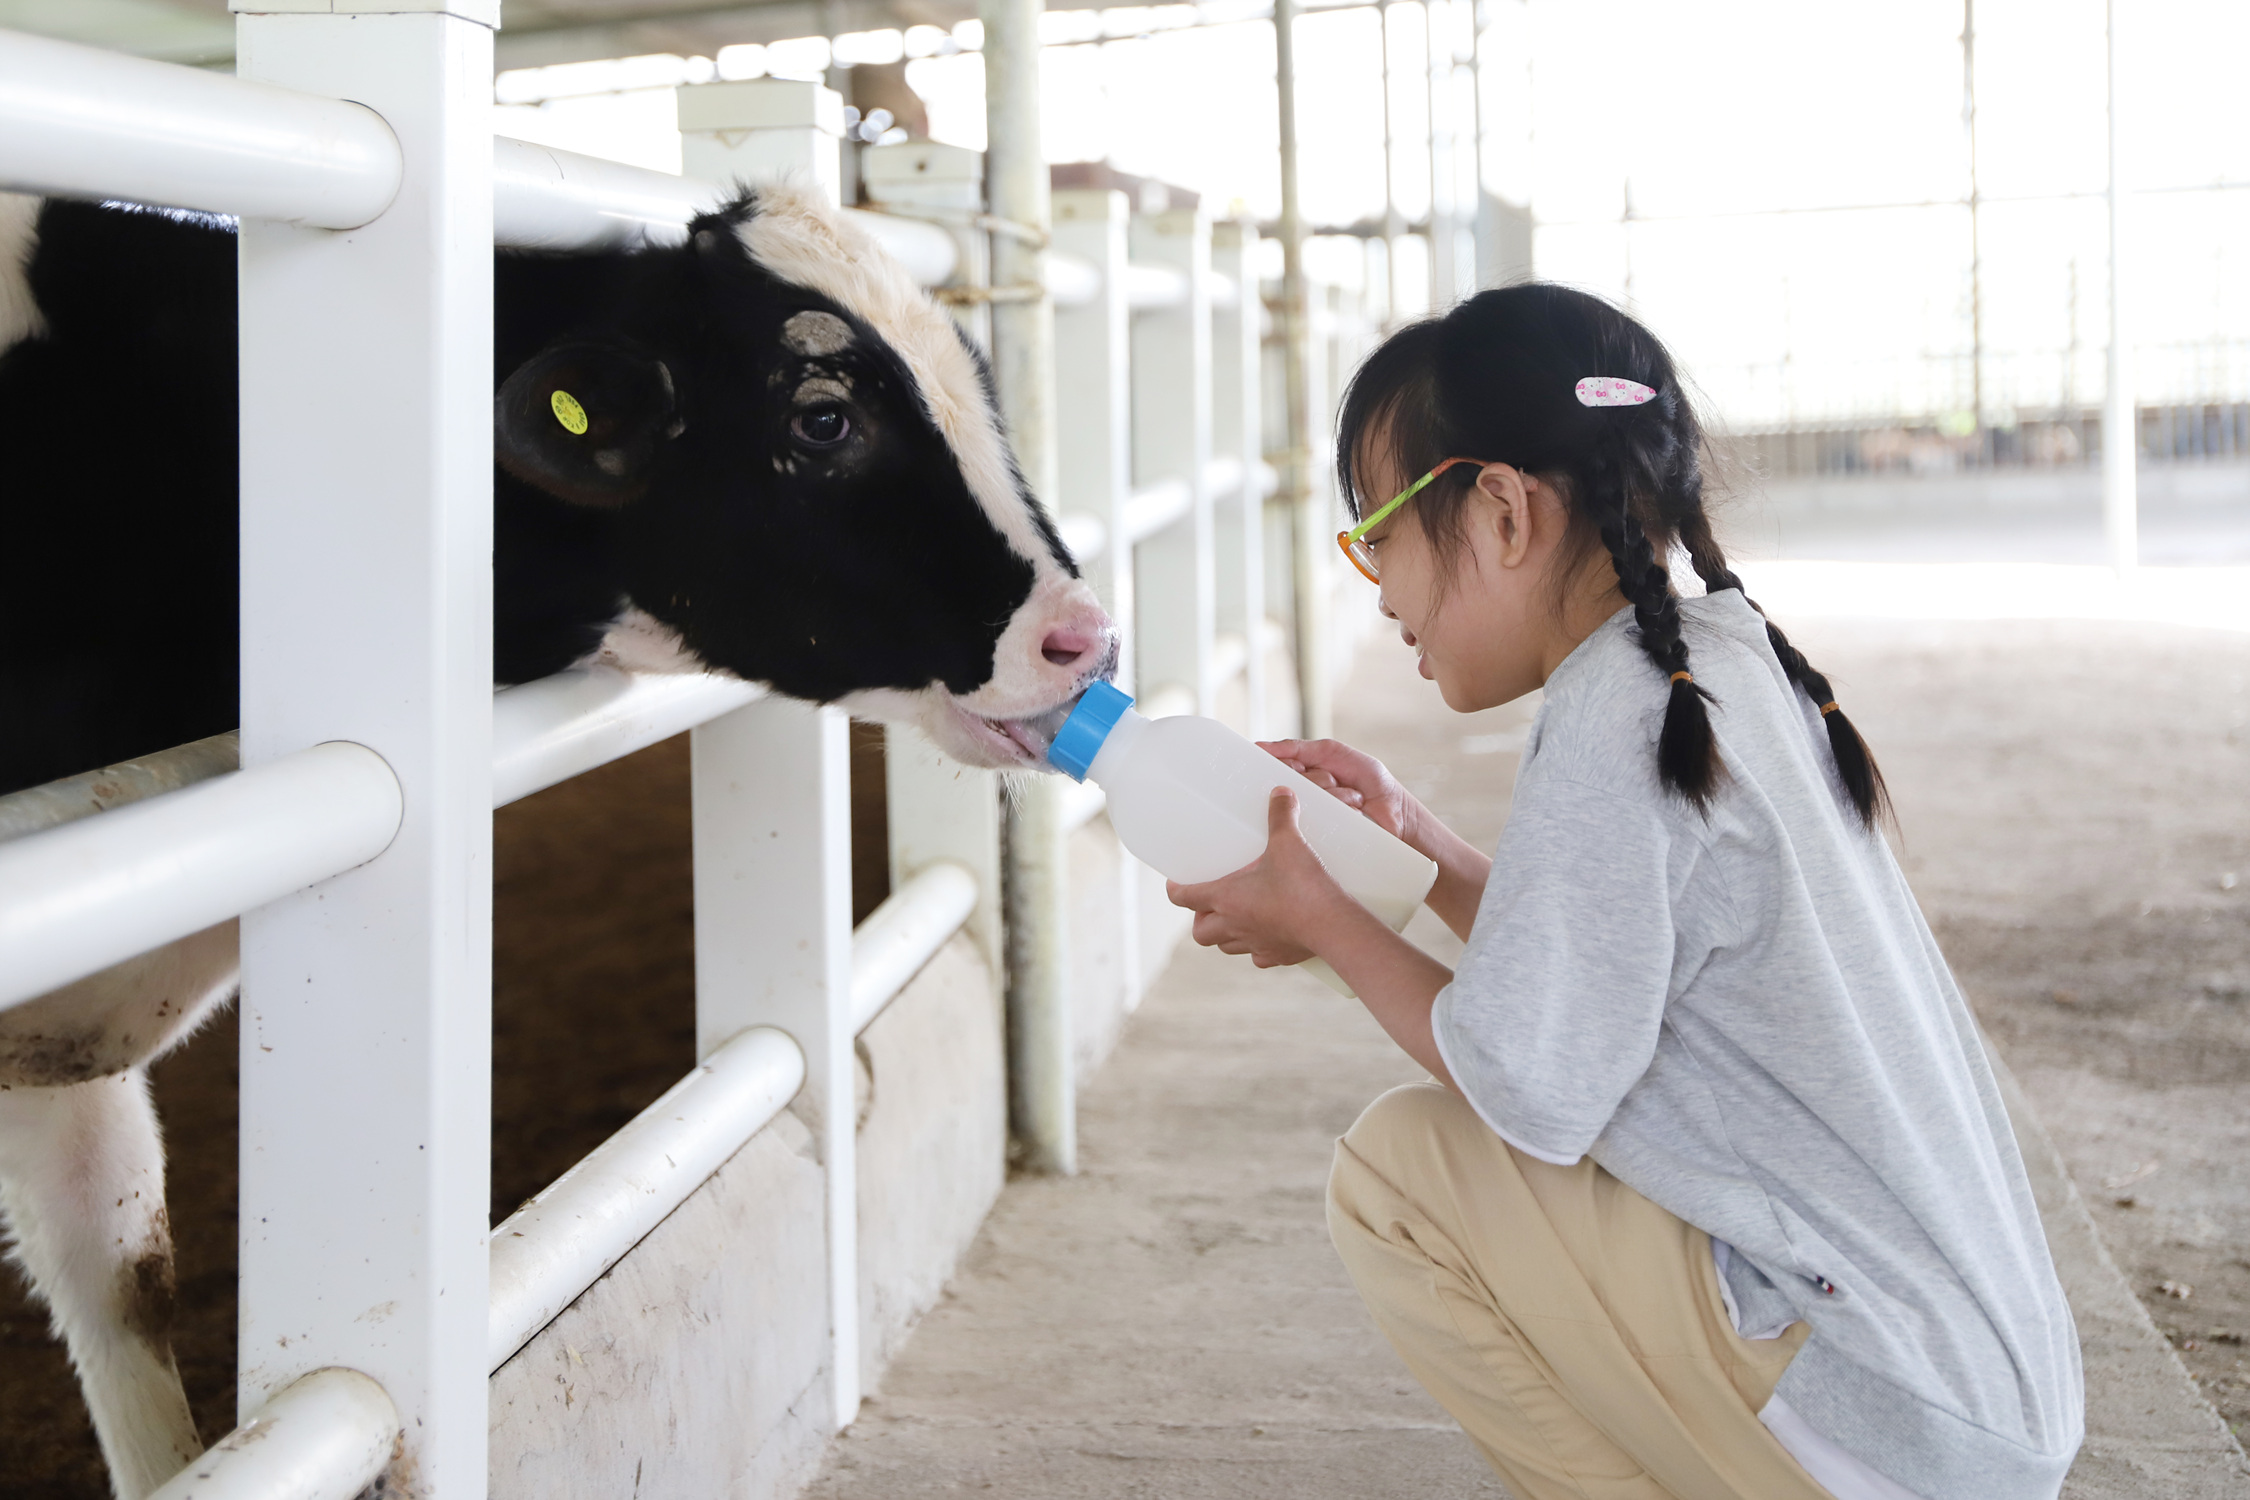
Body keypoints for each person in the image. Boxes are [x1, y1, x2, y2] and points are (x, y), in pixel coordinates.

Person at [1166, 285, 2083, 1500]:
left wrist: (1323, 921)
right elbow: (1609, 968)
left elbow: (1528, 1085)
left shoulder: (1618, 712)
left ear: (1501, 510)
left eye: (1377, 529)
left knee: (1399, 1178)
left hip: (1887, 1413)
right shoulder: (1715, 665)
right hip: (1978, 1404)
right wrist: (1420, 846)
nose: (1376, 585)